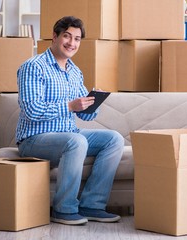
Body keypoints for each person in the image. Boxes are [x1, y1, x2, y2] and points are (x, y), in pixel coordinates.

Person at [16, 16, 124, 225]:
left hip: (69, 136)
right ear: (55, 37)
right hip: (34, 140)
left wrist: (93, 103)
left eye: (77, 39)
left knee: (114, 139)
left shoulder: (74, 71)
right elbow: (31, 110)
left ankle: (92, 205)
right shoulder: (33, 66)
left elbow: (85, 115)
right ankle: (63, 209)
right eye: (67, 36)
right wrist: (69, 106)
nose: (72, 43)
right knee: (76, 141)